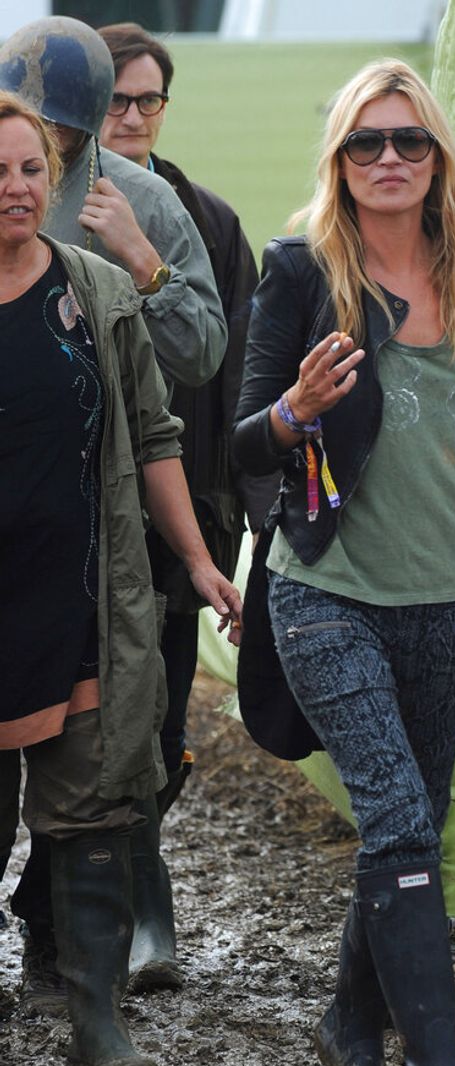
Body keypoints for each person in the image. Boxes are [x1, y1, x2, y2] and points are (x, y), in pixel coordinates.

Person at [232, 59, 455, 1066]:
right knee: (400, 816)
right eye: (368, 143)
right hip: (327, 593)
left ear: (438, 155)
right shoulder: (300, 271)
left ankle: (351, 1030)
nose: (390, 159)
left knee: (412, 824)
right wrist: (293, 412)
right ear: (340, 160)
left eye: (410, 140)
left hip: (451, 601)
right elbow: (236, 447)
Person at [0, 92, 241, 1066]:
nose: (12, 188)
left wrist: (194, 560)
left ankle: (96, 1025)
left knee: (95, 812)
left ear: (49, 181)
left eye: (25, 170)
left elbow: (153, 437)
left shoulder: (96, 292)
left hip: (85, 600)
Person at [97, 21, 279, 812]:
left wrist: (246, 511)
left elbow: (238, 367)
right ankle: (63, 900)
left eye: (149, 99)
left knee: (160, 710)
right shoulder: (31, 205)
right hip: (74, 505)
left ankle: (134, 890)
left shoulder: (208, 219)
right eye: (115, 100)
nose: (134, 116)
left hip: (183, 504)